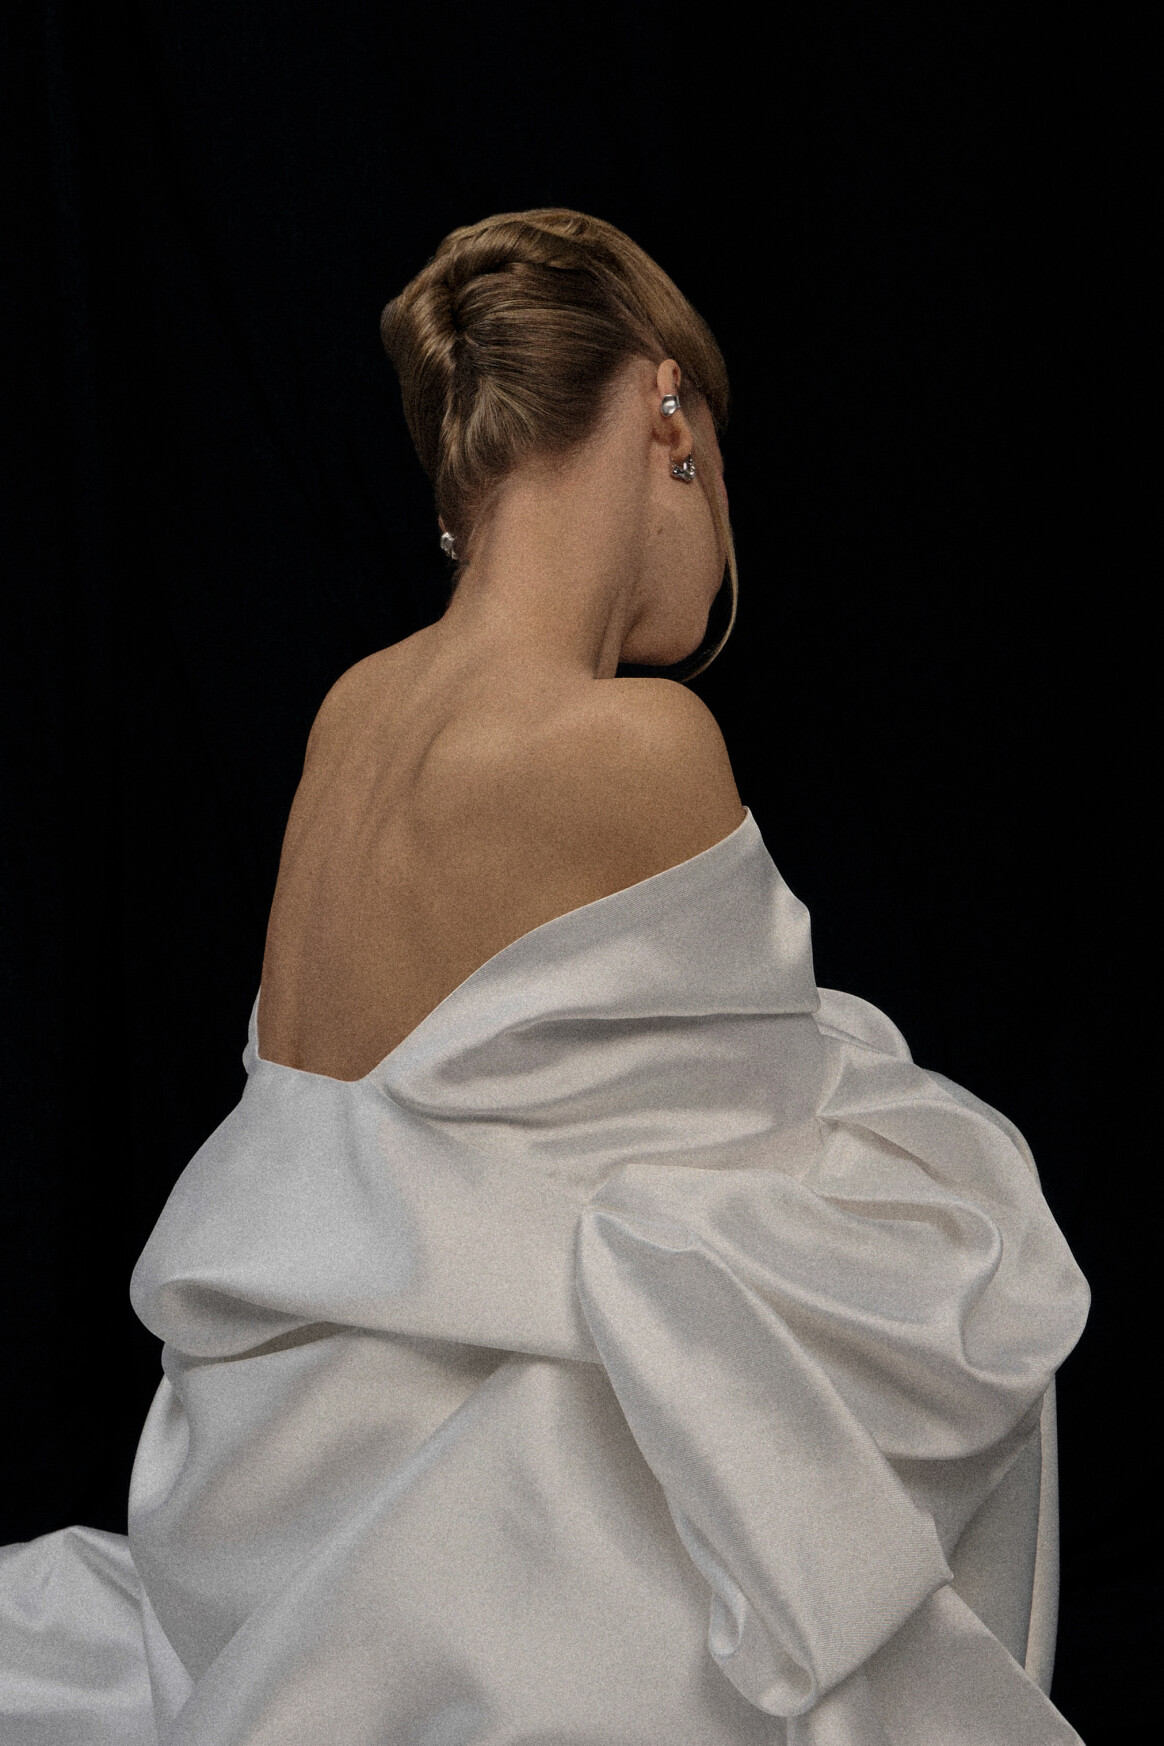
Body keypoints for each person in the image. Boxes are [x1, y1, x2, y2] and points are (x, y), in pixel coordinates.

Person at [0, 209, 1089, 1745]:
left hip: (239, 1504)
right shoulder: (639, 743)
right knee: (945, 1236)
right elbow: (762, 1167)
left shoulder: (351, 716)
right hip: (446, 1549)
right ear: (671, 416)